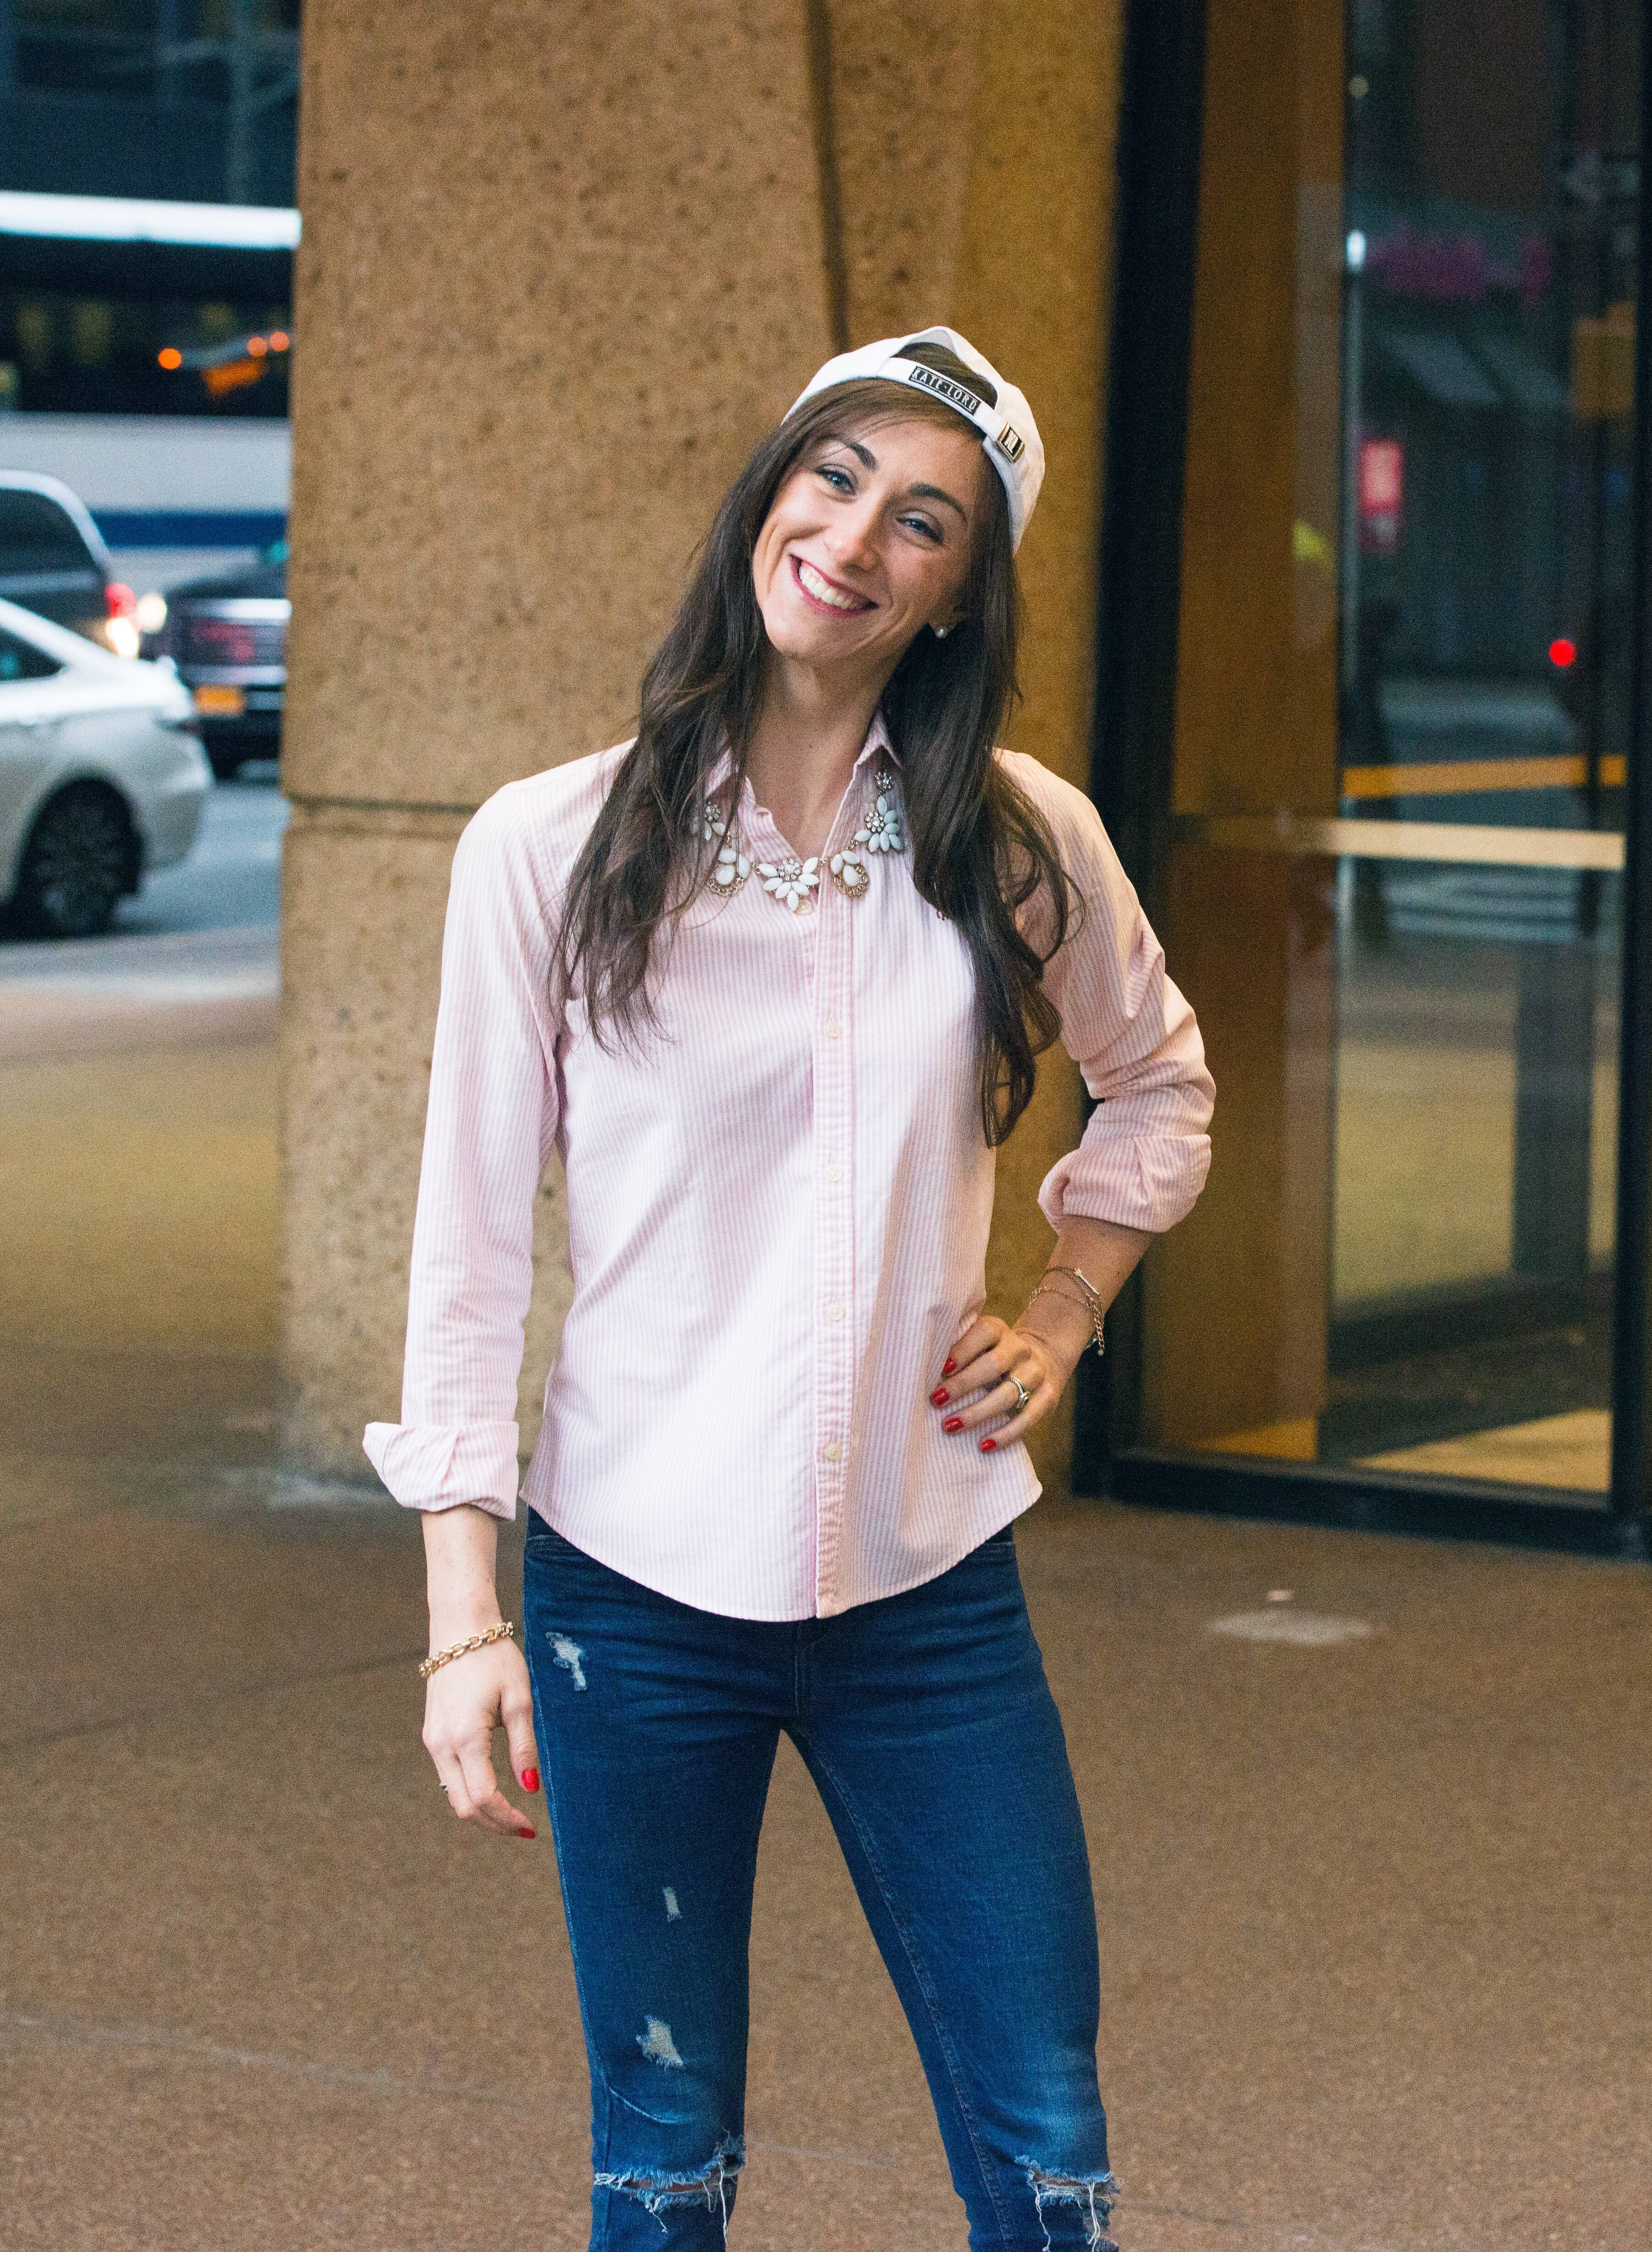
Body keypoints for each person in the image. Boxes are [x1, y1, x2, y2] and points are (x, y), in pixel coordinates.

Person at [369, 326, 1210, 2250]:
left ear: (957, 592)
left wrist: (1064, 1312)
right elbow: (469, 1247)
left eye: (923, 519)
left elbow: (1162, 1082)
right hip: (633, 1592)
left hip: (928, 1590)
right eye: (833, 476)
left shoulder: (1017, 841)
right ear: (768, 493)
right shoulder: (547, 847)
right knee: (664, 2147)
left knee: (1047, 2135)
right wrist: (461, 1619)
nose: (854, 538)